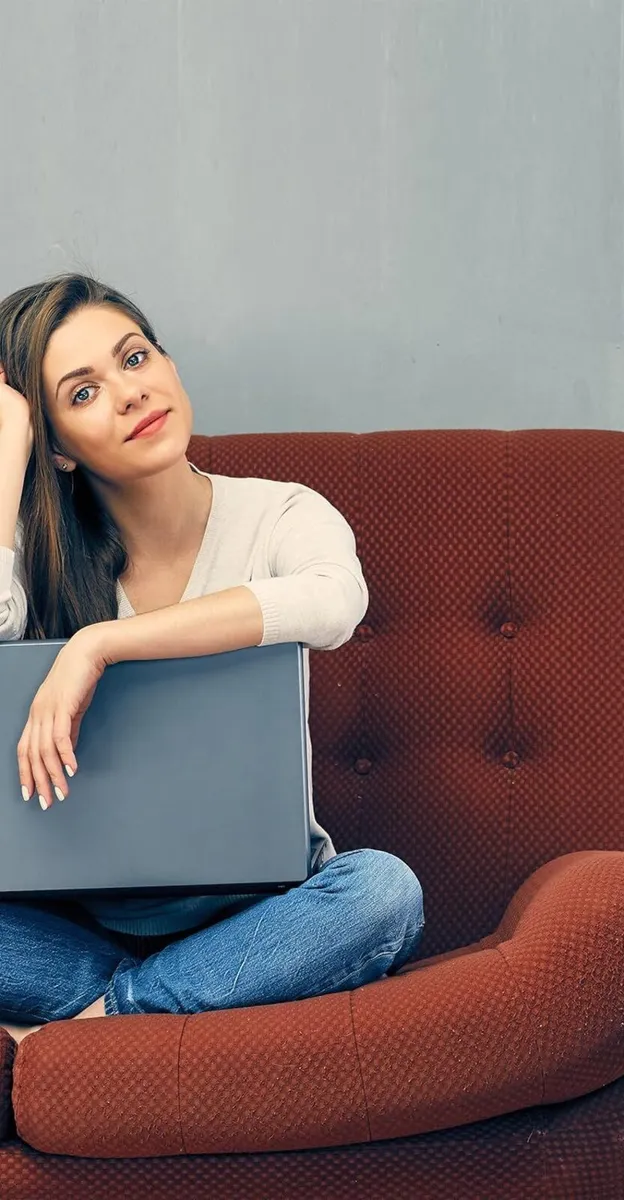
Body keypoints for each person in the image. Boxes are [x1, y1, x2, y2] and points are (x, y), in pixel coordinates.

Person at [0, 274, 424, 1045]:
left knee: (383, 893)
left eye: (134, 358)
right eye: (83, 392)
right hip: (77, 933)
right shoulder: (40, 560)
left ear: (168, 363)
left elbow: (333, 601)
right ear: (56, 446)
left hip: (264, 919)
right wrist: (6, 449)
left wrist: (102, 642)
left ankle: (100, 1022)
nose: (129, 393)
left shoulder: (280, 512)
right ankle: (159, 998)